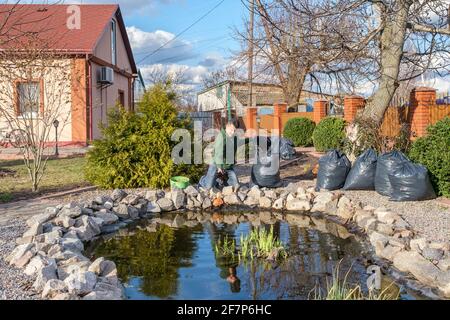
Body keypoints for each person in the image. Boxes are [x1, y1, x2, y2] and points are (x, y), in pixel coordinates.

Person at [199, 121, 240, 190]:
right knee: (208, 187)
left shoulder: (233, 137)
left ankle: (220, 181)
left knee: (235, 186)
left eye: (234, 130)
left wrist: (251, 139)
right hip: (216, 164)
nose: (233, 132)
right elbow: (218, 153)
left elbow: (240, 142)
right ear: (227, 126)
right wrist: (219, 167)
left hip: (227, 166)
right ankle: (203, 180)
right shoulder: (221, 138)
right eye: (231, 130)